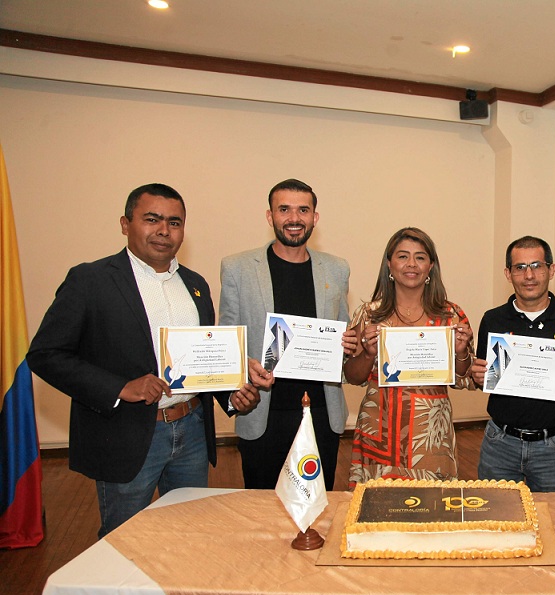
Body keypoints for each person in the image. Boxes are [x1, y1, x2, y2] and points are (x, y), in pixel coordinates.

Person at [27, 183, 260, 538]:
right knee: (124, 543)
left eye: (175, 222)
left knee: (189, 536)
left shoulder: (195, 285)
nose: (164, 230)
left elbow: (200, 360)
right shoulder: (91, 280)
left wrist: (232, 395)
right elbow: (45, 354)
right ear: (125, 223)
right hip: (127, 434)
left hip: (192, 431)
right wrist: (120, 387)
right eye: (152, 219)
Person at [219, 179, 350, 490]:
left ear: (315, 217)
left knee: (318, 508)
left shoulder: (337, 269)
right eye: (284, 210)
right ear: (270, 217)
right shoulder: (237, 268)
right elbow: (227, 341)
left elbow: (343, 335)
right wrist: (245, 366)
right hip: (264, 414)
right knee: (261, 512)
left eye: (303, 210)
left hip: (320, 413)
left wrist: (350, 343)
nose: (294, 219)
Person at [470, 236, 555, 492]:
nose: (529, 275)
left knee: (549, 518)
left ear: (551, 270)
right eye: (520, 267)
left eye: (537, 266)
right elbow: (486, 376)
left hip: (553, 444)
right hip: (500, 442)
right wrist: (478, 375)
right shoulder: (492, 320)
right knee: (498, 517)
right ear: (508, 274)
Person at [344, 227, 475, 486]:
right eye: (403, 256)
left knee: (433, 515)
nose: (411, 264)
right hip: (378, 432)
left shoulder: (451, 315)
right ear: (389, 265)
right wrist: (369, 354)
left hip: (430, 439)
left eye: (420, 257)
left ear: (431, 266)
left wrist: (461, 353)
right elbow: (352, 376)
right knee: (376, 514)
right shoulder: (368, 314)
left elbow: (465, 379)